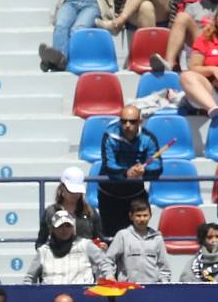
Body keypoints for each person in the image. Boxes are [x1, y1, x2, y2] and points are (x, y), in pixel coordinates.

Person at [99, 106, 163, 237]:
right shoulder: (109, 135)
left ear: (140, 122)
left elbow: (157, 167)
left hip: (135, 194)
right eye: (124, 121)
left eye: (132, 121)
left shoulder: (148, 138)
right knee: (111, 238)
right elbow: (108, 165)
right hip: (109, 195)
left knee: (138, 237)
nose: (127, 125)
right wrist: (126, 173)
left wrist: (144, 172)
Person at [24, 209, 114, 284]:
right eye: (60, 226)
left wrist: (109, 276)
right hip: (51, 299)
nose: (64, 230)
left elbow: (105, 263)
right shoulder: (43, 252)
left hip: (82, 297)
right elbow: (29, 278)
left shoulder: (85, 245)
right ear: (52, 230)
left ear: (73, 228)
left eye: (68, 226)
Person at [106, 197, 172, 283]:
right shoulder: (123, 236)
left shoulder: (157, 238)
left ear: (150, 216)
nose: (142, 219)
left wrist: (164, 284)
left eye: (145, 215)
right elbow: (108, 260)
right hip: (128, 288)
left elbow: (164, 268)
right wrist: (109, 276)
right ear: (131, 216)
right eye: (138, 216)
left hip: (152, 290)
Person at [37, 167, 105, 247]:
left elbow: (99, 239)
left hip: (85, 257)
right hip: (58, 257)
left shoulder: (90, 212)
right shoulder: (51, 212)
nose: (75, 195)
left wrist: (100, 246)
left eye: (77, 191)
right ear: (62, 188)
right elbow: (41, 241)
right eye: (71, 191)